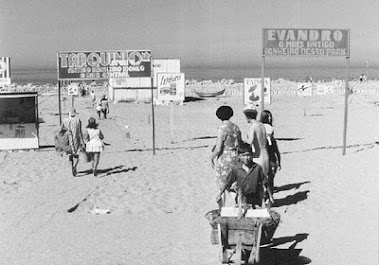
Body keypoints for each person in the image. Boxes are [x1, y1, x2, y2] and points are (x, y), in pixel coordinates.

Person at [216, 142, 274, 209]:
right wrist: (220, 193)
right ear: (239, 156)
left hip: (256, 199)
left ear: (252, 155)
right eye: (243, 155)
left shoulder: (257, 168)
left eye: (248, 155)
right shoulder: (236, 169)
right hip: (241, 199)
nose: (246, 158)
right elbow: (227, 182)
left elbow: (265, 182)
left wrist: (270, 195)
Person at [210, 105, 242, 207]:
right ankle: (236, 201)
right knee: (233, 183)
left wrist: (212, 157)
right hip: (236, 156)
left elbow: (219, 148)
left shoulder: (222, 129)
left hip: (225, 157)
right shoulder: (236, 127)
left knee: (223, 183)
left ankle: (222, 208)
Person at [243, 104, 270, 176]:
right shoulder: (261, 125)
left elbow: (250, 142)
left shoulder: (253, 127)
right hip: (266, 155)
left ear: (247, 116)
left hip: (257, 157)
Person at [58, 108, 84, 176]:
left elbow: (60, 131)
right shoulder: (78, 120)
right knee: (76, 156)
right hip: (76, 140)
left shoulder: (64, 121)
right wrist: (83, 142)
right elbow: (80, 132)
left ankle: (71, 167)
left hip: (67, 140)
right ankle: (75, 167)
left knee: (70, 156)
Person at [260, 110, 281, 192]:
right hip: (266, 155)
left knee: (270, 176)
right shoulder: (265, 127)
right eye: (267, 116)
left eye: (270, 116)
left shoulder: (265, 127)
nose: (269, 118)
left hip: (270, 155)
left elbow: (276, 149)